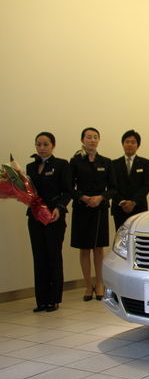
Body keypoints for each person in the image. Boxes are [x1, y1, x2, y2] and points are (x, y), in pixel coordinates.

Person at [26, 132, 72, 312]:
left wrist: (59, 208)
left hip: (54, 217)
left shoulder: (61, 164)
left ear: (53, 145)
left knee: (53, 256)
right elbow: (29, 192)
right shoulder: (30, 167)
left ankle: (54, 299)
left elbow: (67, 191)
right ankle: (41, 300)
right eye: (39, 144)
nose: (42, 148)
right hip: (35, 217)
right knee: (39, 257)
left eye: (46, 144)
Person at [70, 127, 116, 301]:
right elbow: (69, 187)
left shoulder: (106, 162)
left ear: (99, 140)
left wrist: (101, 197)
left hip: (99, 209)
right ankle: (88, 285)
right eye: (88, 137)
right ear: (82, 140)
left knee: (98, 248)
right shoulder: (75, 162)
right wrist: (83, 197)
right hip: (82, 208)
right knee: (84, 248)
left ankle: (100, 284)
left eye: (95, 137)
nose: (92, 140)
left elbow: (113, 188)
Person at [111, 130, 149, 230]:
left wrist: (133, 202)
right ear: (123, 144)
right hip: (120, 208)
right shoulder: (114, 164)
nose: (130, 144)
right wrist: (123, 202)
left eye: (133, 142)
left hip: (139, 207)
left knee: (137, 235)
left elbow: (146, 185)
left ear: (138, 145)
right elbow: (112, 185)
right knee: (121, 236)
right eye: (127, 142)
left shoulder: (145, 163)